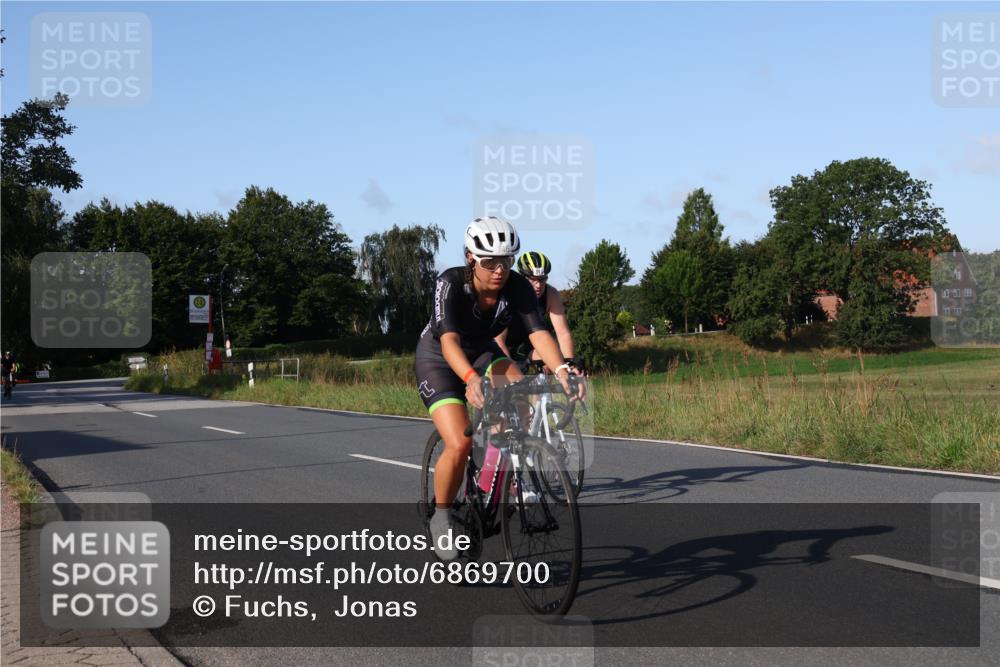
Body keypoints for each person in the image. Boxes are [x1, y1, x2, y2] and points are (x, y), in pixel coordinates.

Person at [414, 217, 579, 561]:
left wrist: (563, 368)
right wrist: (471, 380)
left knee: (523, 394)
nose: (499, 270)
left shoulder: (517, 286)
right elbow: (448, 343)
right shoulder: (450, 283)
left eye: (506, 261)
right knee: (459, 442)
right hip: (440, 358)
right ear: (471, 258)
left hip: (482, 350)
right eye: (490, 262)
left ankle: (503, 474)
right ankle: (442, 517)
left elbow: (539, 333)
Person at [495, 251, 577, 366]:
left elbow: (563, 334)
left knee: (551, 356)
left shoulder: (551, 294)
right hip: (500, 344)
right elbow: (499, 341)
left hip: (528, 344)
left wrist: (570, 364)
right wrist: (512, 371)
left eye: (542, 279)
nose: (538, 285)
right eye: (533, 279)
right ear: (522, 277)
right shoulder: (509, 293)